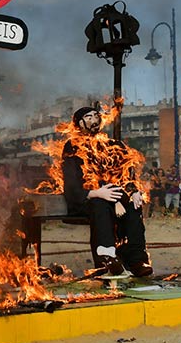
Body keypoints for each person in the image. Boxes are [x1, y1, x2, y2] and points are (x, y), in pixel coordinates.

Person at [61, 105, 152, 277]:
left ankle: (136, 260)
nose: (94, 119)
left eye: (96, 115)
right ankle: (106, 259)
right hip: (88, 198)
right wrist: (95, 192)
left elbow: (127, 172)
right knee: (100, 204)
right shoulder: (72, 146)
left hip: (115, 194)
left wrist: (133, 190)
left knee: (133, 205)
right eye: (88, 117)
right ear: (79, 123)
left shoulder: (113, 145)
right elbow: (71, 180)